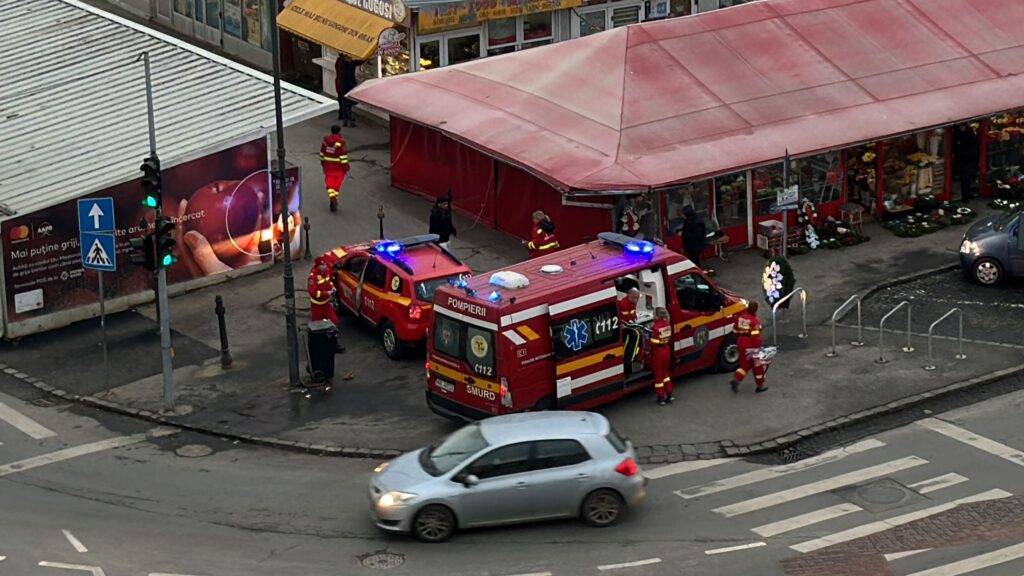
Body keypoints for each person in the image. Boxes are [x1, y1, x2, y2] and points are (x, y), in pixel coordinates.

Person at [307, 256, 345, 353]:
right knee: (316, 328)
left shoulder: (326, 271)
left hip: (326, 304)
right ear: (318, 266)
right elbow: (313, 293)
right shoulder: (313, 277)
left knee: (334, 321)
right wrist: (326, 293)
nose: (325, 266)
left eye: (324, 264)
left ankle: (334, 343)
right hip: (317, 306)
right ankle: (314, 346)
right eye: (322, 265)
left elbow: (329, 282)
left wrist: (332, 288)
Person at [731, 301, 766, 394]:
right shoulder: (755, 321)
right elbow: (756, 336)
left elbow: (734, 331)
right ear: (756, 310)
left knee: (745, 365)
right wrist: (760, 347)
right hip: (752, 345)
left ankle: (736, 379)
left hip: (741, 343)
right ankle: (760, 385)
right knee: (757, 366)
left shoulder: (740, 318)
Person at [320, 125, 350, 213]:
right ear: (339, 132)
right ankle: (334, 198)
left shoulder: (325, 141)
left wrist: (323, 163)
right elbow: (343, 157)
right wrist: (346, 168)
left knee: (329, 185)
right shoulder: (341, 143)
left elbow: (322, 153)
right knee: (337, 185)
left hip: (328, 167)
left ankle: (332, 198)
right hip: (339, 168)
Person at [649, 307, 675, 406]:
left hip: (658, 353)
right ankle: (669, 393)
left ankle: (661, 397)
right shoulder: (667, 325)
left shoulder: (654, 328)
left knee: (658, 376)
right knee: (665, 374)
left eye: (653, 314)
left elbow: (653, 342)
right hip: (666, 350)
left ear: (657, 316)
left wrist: (648, 338)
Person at [953, 124, 980, 202]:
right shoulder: (956, 135)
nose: (962, 128)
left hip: (971, 159)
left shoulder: (970, 134)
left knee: (970, 177)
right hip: (962, 160)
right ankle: (965, 196)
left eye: (963, 126)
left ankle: (968, 193)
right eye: (960, 126)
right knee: (964, 178)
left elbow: (975, 146)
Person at [618, 288, 642, 376]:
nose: (638, 299)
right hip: (624, 329)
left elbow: (632, 314)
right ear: (630, 296)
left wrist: (634, 319)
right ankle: (628, 363)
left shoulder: (633, 302)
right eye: (636, 297)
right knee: (636, 337)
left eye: (638, 297)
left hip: (630, 326)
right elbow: (619, 317)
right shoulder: (622, 304)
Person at [335, 56, 359, 127]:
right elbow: (356, 63)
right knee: (347, 103)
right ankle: (348, 120)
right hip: (346, 86)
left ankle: (343, 118)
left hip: (340, 85)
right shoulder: (348, 65)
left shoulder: (339, 61)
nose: (351, 58)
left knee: (343, 102)